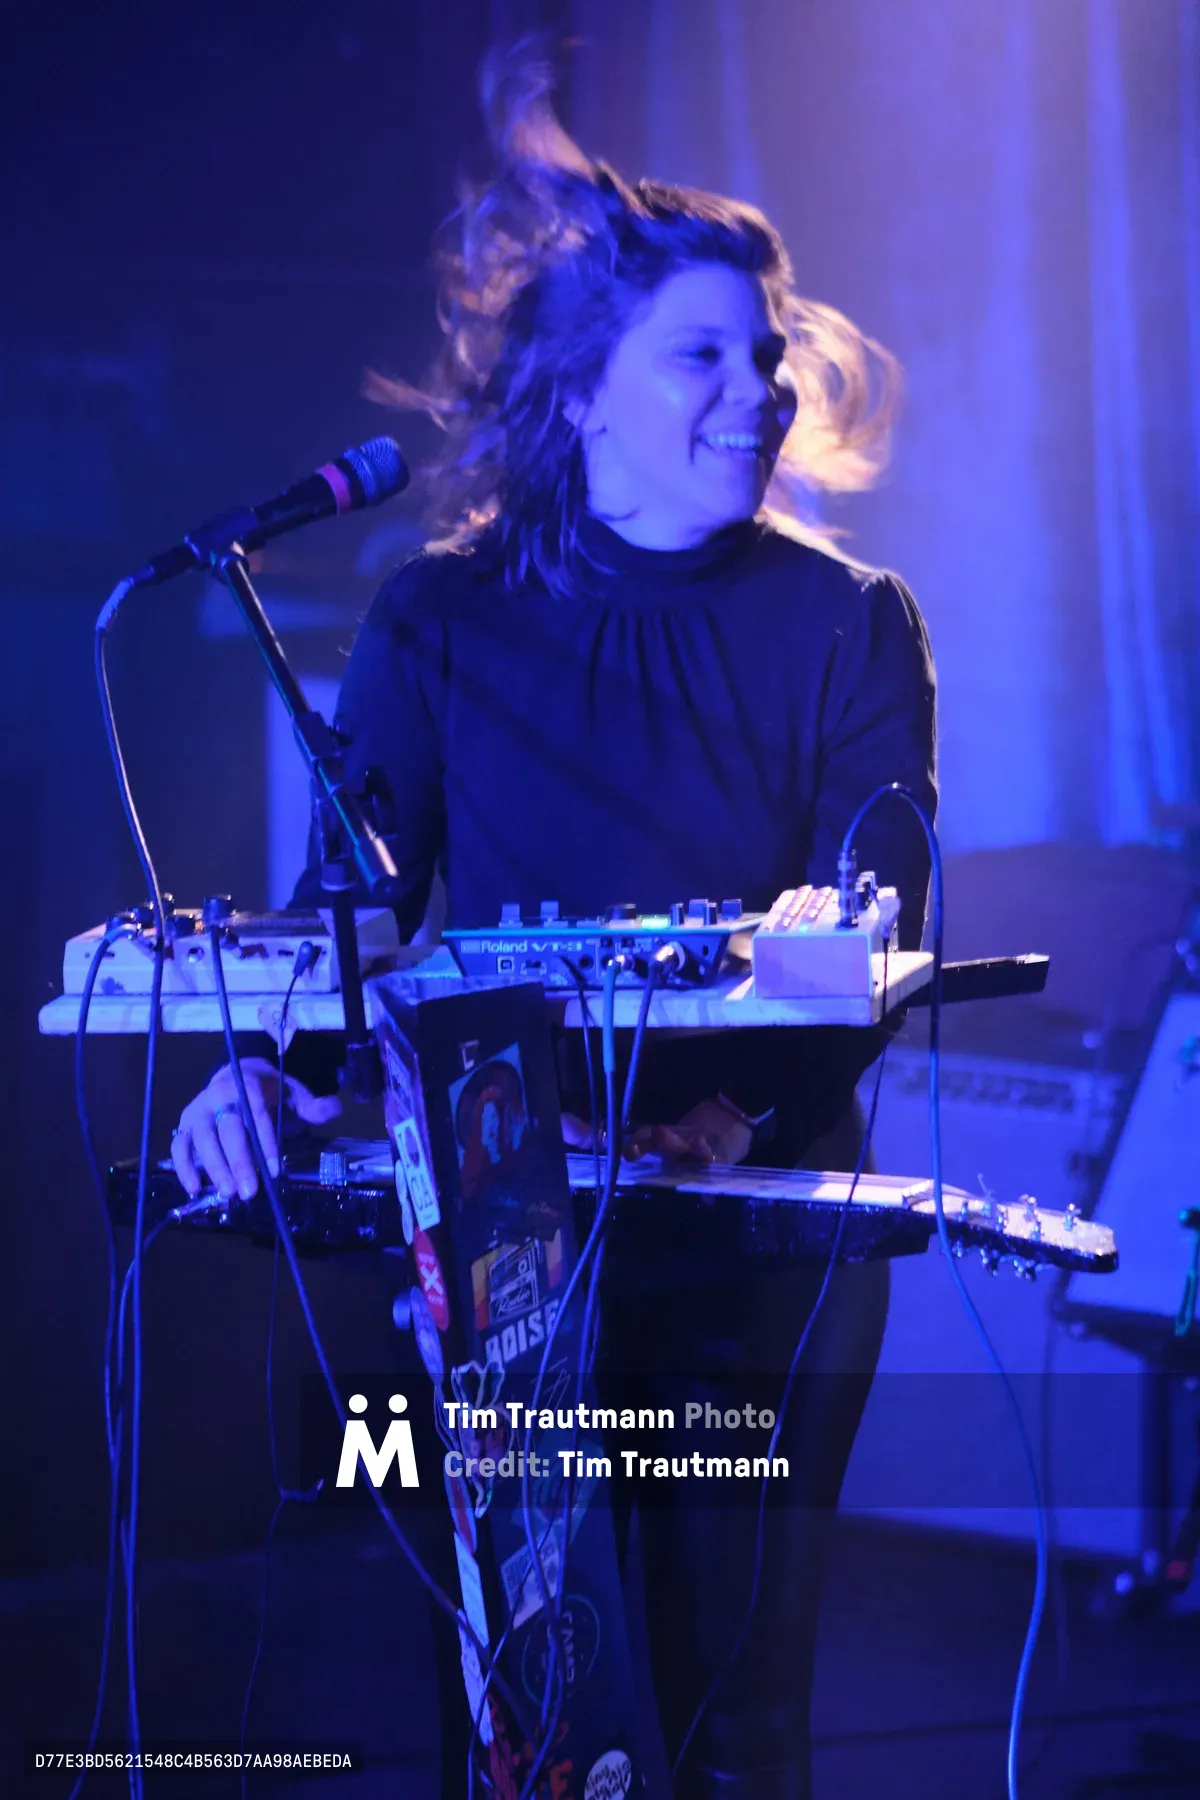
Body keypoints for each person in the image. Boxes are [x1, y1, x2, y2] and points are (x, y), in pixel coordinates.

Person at [169, 53, 936, 1800]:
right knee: (522, 1718)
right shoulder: (437, 621)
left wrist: (721, 1113)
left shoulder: (848, 627)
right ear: (584, 394)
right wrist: (271, 1080)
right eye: (703, 357)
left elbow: (884, 936)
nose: (759, 391)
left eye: (766, 356)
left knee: (732, 1728)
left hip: (764, 1246)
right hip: (512, 1248)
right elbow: (350, 920)